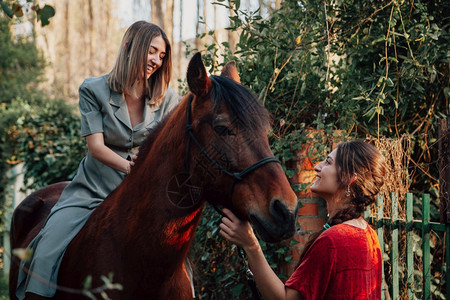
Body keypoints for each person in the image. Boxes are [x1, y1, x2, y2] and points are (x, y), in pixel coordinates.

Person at [16, 21, 180, 299]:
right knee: (46, 250)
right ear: (130, 46)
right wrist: (134, 167)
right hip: (92, 189)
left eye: (162, 56)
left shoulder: (168, 100)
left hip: (141, 198)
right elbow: (96, 147)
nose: (156, 60)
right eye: (152, 51)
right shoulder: (93, 90)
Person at [220, 140, 387, 300]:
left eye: (328, 162)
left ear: (350, 178)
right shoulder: (368, 234)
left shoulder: (334, 240)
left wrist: (250, 244)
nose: (317, 167)